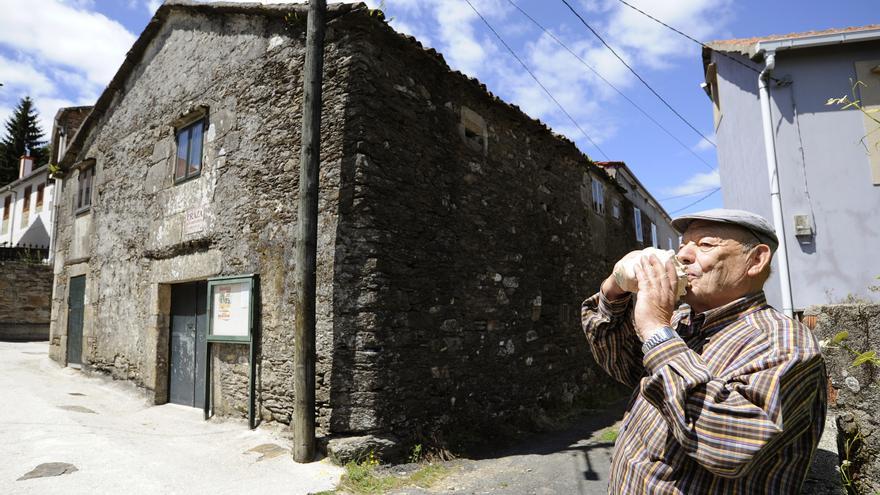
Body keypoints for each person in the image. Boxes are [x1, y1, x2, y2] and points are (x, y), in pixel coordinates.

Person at [581, 208, 826, 494]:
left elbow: (729, 447)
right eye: (682, 244)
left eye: (705, 244)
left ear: (756, 260)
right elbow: (622, 363)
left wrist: (657, 332)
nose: (682, 255)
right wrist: (615, 288)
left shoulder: (784, 343)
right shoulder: (680, 321)